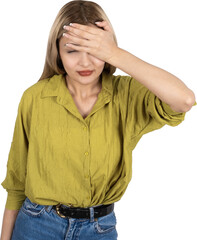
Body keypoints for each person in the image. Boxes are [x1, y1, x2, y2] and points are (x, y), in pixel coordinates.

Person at [0, 0, 196, 239]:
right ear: (58, 52)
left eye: (94, 51)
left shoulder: (127, 96)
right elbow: (16, 181)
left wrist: (115, 53)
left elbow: (184, 100)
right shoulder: (35, 97)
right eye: (72, 50)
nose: (85, 63)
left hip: (99, 230)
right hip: (36, 225)